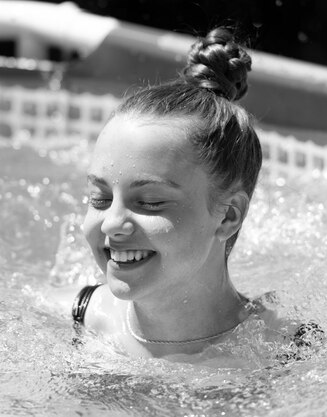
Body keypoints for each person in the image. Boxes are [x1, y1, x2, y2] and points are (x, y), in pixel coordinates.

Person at [71, 27, 268, 358]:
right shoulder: (81, 319)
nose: (111, 224)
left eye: (149, 202)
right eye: (100, 199)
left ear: (228, 214)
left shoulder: (285, 351)